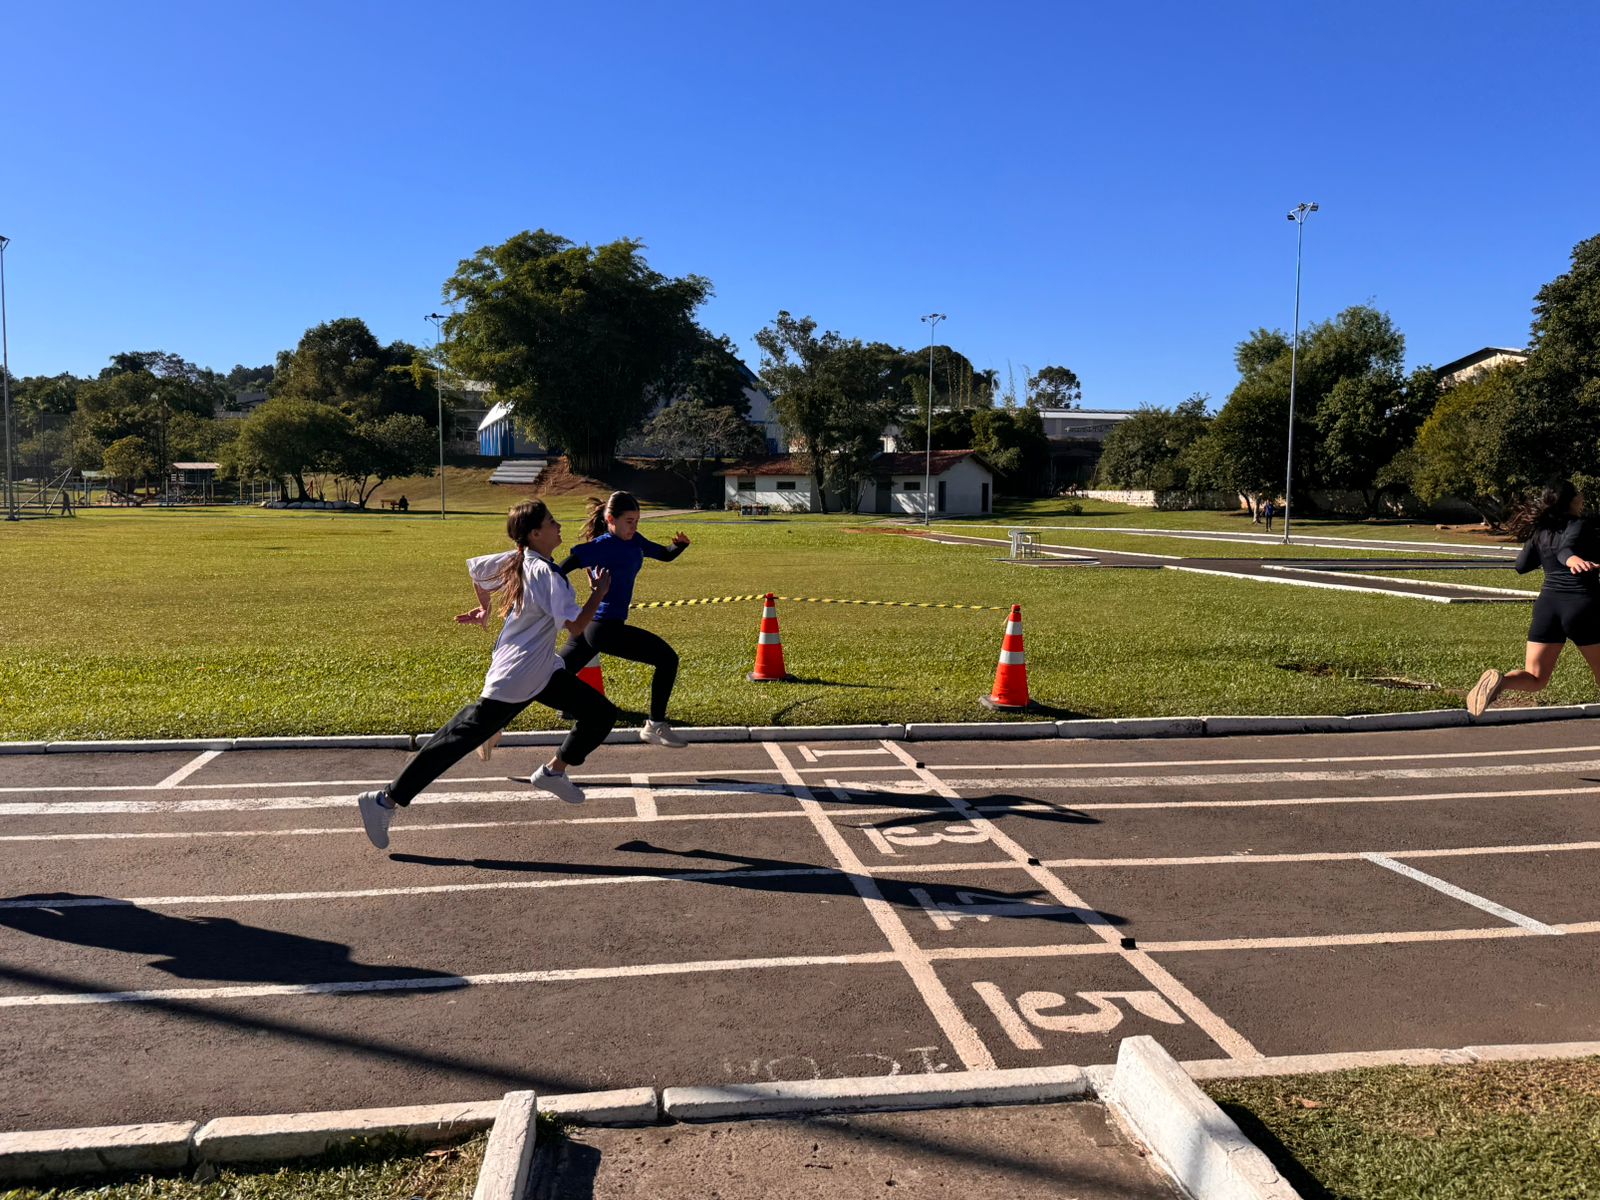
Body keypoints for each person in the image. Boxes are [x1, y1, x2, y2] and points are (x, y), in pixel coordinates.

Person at [356, 499, 617, 850]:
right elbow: (575, 627)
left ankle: (554, 771)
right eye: (552, 522)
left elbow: (478, 573)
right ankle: (384, 800)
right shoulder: (547, 573)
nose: (559, 527)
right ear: (535, 533)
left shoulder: (518, 559)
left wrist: (485, 607)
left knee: (600, 713)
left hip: (539, 669)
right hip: (518, 675)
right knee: (456, 739)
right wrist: (598, 594)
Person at [1466, 479, 1600, 717]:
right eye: (1578, 494)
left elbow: (1521, 566)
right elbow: (1565, 551)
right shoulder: (1580, 525)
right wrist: (1571, 560)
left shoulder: (1541, 531)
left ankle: (1501, 682)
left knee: (1536, 678)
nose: (1582, 498)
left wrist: (1543, 547)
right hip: (1581, 605)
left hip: (1547, 607)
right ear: (1571, 501)